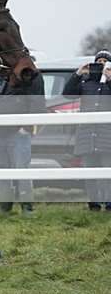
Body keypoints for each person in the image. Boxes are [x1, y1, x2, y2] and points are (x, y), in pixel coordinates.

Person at [0, 70, 46, 214]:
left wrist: (27, 127)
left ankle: (26, 208)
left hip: (18, 133)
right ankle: (4, 207)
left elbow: (37, 103)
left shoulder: (30, 76)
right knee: (1, 170)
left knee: (22, 169)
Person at [62, 50, 111, 211]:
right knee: (89, 172)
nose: (102, 64)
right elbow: (67, 95)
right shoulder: (85, 82)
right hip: (87, 134)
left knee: (107, 173)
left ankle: (109, 203)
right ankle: (93, 203)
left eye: (105, 61)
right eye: (99, 61)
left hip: (107, 135)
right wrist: (78, 74)